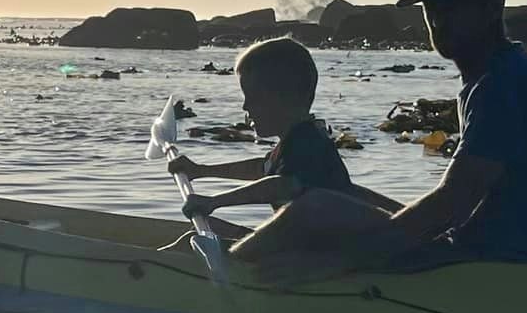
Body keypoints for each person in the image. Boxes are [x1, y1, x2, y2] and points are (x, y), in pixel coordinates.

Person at [248, 0, 527, 276]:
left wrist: (344, 260)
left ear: (491, 8)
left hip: (508, 257)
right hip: (526, 243)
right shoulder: (505, 71)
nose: (438, 20)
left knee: (313, 209)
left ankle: (235, 275)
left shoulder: (504, 84)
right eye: (432, 8)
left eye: (453, 7)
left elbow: (453, 201)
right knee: (338, 198)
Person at [164, 36, 388, 265]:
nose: (245, 106)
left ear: (285, 98)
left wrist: (214, 201)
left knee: (192, 243)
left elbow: (280, 185)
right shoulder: (293, 141)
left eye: (253, 97)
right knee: (207, 228)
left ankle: (149, 268)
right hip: (292, 245)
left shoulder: (308, 142)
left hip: (316, 258)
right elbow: (261, 169)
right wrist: (201, 170)